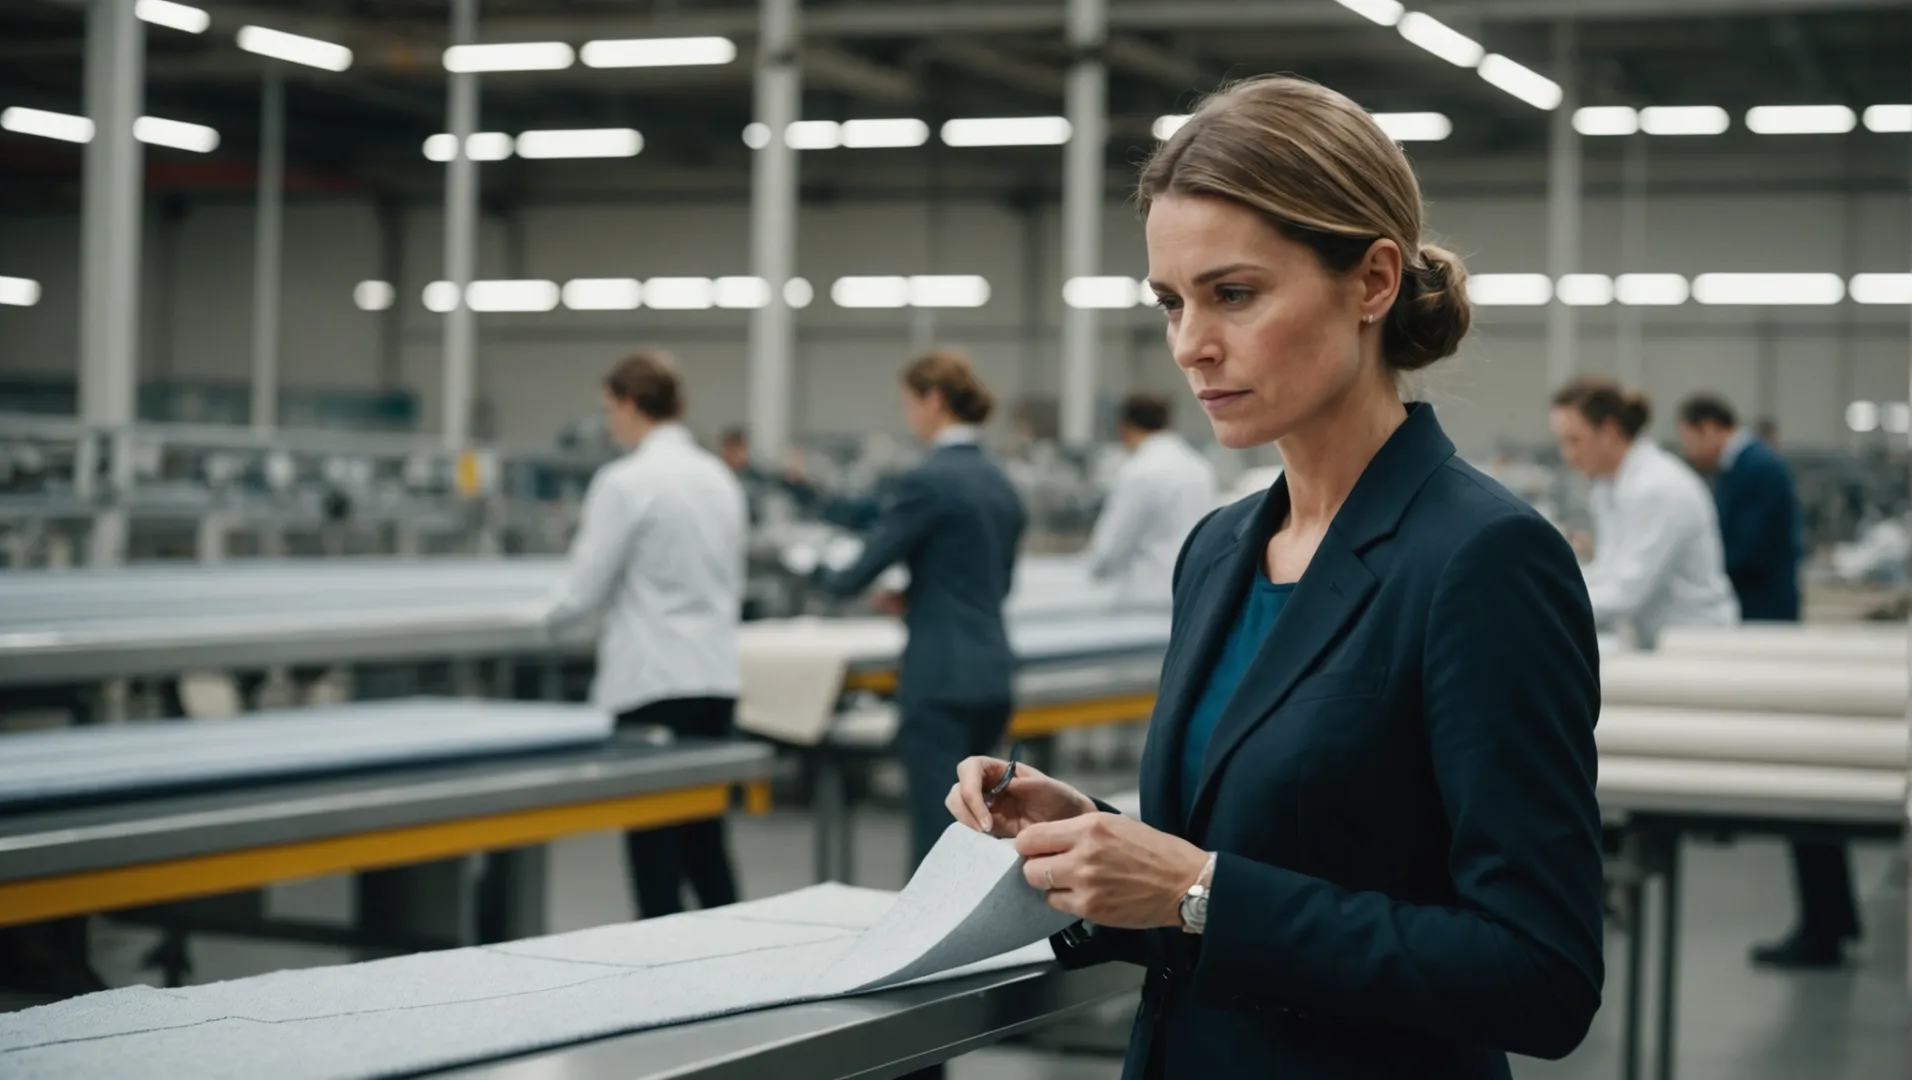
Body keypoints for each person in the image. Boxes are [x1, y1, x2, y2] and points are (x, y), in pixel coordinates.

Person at [946, 75, 1604, 1080]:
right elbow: (1230, 866)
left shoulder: (1479, 560)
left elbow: (1538, 976)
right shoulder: (1217, 551)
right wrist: (1095, 843)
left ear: (1373, 282)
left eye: (1234, 294)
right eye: (1171, 302)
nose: (1189, 344)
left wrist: (1197, 888)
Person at [546, 349, 748, 919]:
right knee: (706, 845)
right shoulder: (717, 477)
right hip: (713, 678)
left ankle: (664, 986)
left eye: (611, 408)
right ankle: (740, 972)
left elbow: (581, 592)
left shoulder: (625, 482)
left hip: (654, 682)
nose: (610, 422)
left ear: (631, 404)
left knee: (655, 853)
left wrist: (533, 618)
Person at [814, 348, 1028, 871]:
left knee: (940, 833)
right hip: (991, 670)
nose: (908, 415)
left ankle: (930, 949)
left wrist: (817, 570)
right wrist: (919, 596)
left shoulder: (929, 479)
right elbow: (989, 583)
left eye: (909, 402)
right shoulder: (1001, 482)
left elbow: (856, 574)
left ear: (933, 400)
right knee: (983, 826)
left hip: (940, 677)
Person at [1678, 394, 1855, 967]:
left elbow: (1745, 552)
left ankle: (1824, 927)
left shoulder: (1754, 469)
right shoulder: (1755, 468)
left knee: (1801, 784)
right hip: (1766, 626)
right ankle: (1835, 920)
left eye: (1689, 438)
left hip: (1765, 631)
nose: (1690, 453)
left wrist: (1692, 569)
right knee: (1808, 783)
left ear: (1710, 428)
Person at [1550, 378, 1738, 648]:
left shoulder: (1658, 487)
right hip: (1655, 642)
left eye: (1574, 440)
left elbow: (1625, 592)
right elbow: (1608, 573)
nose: (1568, 454)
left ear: (1610, 431)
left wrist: (1546, 602)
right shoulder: (1607, 488)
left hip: (1697, 645)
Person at [1085, 391, 1219, 608]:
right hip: (1194, 591)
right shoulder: (1199, 466)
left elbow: (1113, 543)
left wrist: (1096, 569)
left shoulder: (1140, 470)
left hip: (1147, 596)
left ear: (1124, 428)